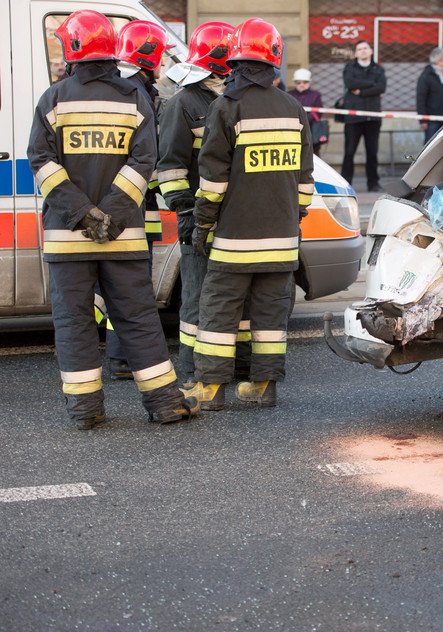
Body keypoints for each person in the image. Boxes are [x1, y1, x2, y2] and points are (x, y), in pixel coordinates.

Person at [27, 10, 197, 429]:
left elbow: (41, 162)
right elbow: (145, 161)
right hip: (122, 238)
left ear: (71, 50)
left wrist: (82, 215)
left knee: (74, 323)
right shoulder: (133, 97)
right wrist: (112, 214)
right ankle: (164, 405)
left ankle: (86, 411)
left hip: (68, 239)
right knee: (137, 320)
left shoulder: (54, 99)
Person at [184, 18, 314, 410]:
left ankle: (209, 391)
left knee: (219, 313)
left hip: (234, 241)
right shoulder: (293, 108)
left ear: (236, 61)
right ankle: (264, 387)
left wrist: (203, 223)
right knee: (271, 317)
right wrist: (294, 218)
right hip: (281, 241)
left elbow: (213, 180)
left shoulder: (226, 107)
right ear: (274, 59)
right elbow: (305, 180)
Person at [157, 21, 237, 394]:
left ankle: (231, 367)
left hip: (236, 219)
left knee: (234, 298)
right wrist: (186, 213)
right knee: (196, 299)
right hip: (199, 219)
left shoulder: (237, 98)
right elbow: (170, 167)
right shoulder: (184, 104)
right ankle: (192, 371)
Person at [97, 20, 170, 381]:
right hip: (136, 209)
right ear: (150, 58)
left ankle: (118, 355)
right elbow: (148, 159)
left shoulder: (117, 87)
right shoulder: (138, 94)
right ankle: (122, 357)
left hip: (109, 205)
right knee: (129, 289)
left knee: (111, 290)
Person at [340, 39, 386, 192]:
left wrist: (362, 91)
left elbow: (381, 87)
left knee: (372, 153)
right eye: (360, 49)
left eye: (365, 48)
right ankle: (345, 184)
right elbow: (350, 84)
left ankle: (373, 184)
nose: (363, 51)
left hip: (373, 117)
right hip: (353, 118)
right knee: (349, 152)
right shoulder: (349, 68)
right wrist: (371, 84)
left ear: (371, 51)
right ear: (355, 53)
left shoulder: (378, 69)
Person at [288, 68, 326, 156]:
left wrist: (304, 120)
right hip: (294, 130)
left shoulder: (315, 95)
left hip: (311, 130)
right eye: (299, 82)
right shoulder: (289, 95)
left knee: (313, 155)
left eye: (304, 82)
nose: (301, 85)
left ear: (309, 82)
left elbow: (318, 112)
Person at [416, 46, 443, 142]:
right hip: (431, 119)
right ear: (439, 61)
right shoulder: (426, 76)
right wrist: (422, 119)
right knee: (430, 144)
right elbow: (421, 98)